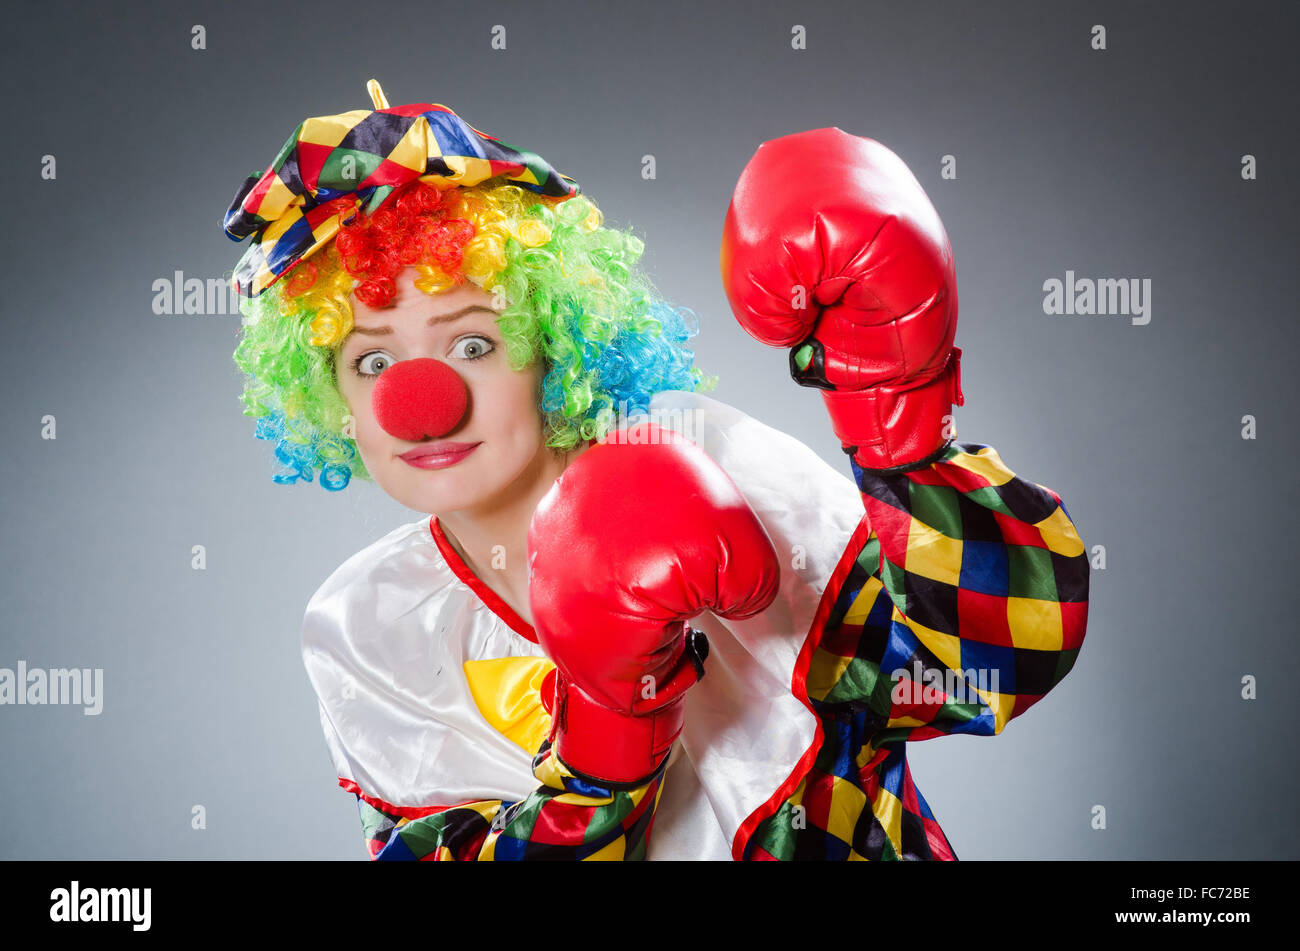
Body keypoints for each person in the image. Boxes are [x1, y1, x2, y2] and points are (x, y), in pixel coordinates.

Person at [224, 80, 1089, 861]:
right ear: (327, 395)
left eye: (474, 342)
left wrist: (899, 411)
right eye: (372, 363)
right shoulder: (370, 626)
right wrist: (606, 743)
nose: (421, 401)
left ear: (553, 348)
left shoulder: (707, 455)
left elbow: (983, 675)